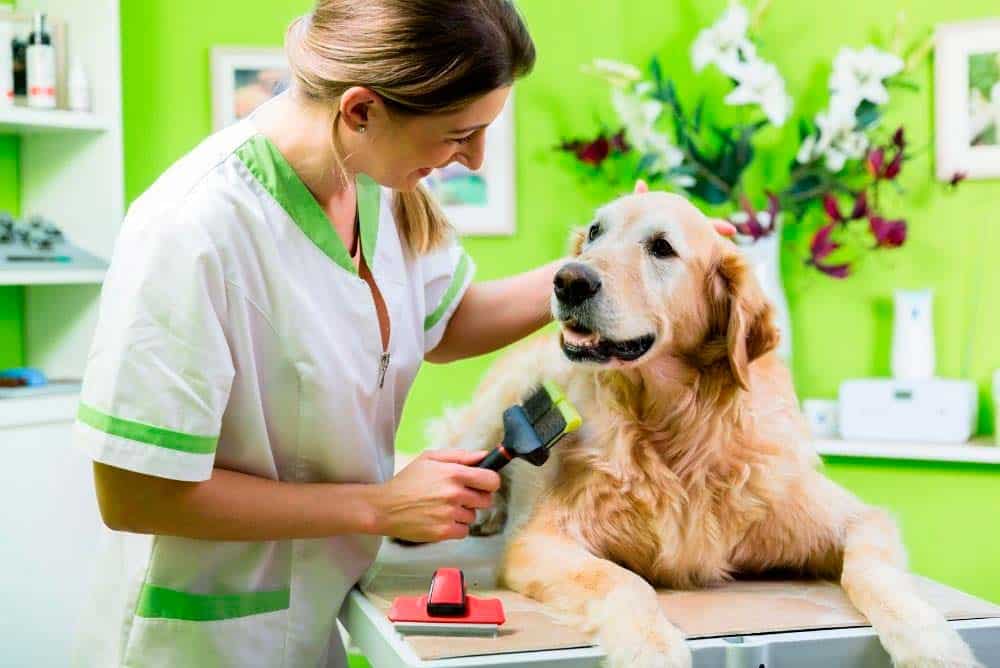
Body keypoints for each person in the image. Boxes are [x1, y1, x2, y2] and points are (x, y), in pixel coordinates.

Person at [71, 1, 733, 665]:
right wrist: (377, 506)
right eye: (458, 134)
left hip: (317, 612)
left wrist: (607, 272)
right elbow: (136, 494)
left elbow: (447, 323)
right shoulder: (192, 231)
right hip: (198, 637)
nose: (472, 160)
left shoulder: (371, 185)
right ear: (361, 110)